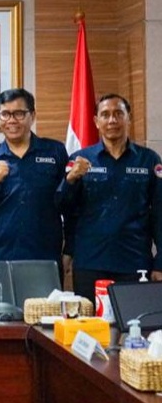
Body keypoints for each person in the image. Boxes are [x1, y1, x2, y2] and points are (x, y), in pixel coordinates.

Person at [56, 94, 162, 300]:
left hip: (135, 262)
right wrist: (70, 179)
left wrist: (160, 262)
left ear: (129, 118)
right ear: (96, 121)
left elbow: (159, 213)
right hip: (91, 262)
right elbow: (62, 208)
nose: (112, 120)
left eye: (118, 114)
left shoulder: (149, 160)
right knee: (89, 320)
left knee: (134, 319)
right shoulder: (80, 160)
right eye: (105, 115)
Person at [0, 88, 67, 265]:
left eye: (19, 113)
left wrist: (70, 249)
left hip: (44, 254)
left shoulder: (54, 151)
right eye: (5, 114)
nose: (12, 120)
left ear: (32, 116)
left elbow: (69, 204)